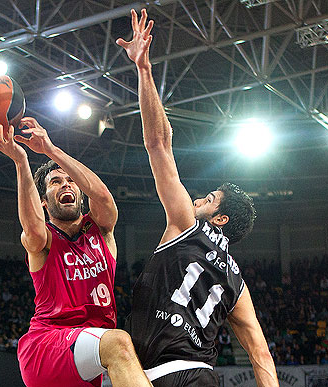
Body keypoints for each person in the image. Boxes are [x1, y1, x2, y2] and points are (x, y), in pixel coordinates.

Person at [116, 9, 278, 387]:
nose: (197, 201)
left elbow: (158, 142)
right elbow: (260, 353)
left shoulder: (184, 225)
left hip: (158, 375)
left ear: (218, 218)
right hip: (203, 377)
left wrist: (143, 70)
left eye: (208, 199)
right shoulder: (237, 281)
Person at [0, 118, 151, 387]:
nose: (66, 185)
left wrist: (50, 149)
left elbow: (104, 197)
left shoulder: (102, 230)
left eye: (71, 181)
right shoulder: (44, 239)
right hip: (47, 345)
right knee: (120, 343)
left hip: (88, 358)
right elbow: (33, 227)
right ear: (44, 203)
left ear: (81, 195)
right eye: (56, 182)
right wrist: (21, 161)